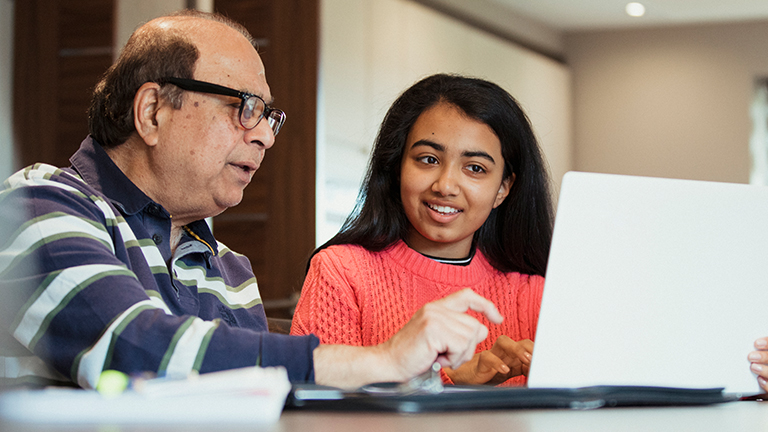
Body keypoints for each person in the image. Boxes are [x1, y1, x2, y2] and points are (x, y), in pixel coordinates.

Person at [0, 10, 504, 390]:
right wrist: (383, 359)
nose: (265, 135)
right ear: (152, 111)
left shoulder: (228, 267)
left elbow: (249, 391)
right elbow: (135, 347)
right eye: (245, 107)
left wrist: (431, 380)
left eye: (268, 115)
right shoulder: (35, 208)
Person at [291, 74, 555, 386]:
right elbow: (318, 411)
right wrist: (450, 385)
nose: (445, 186)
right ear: (397, 166)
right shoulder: (342, 273)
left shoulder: (538, 295)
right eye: (428, 159)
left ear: (503, 188)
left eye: (475, 168)